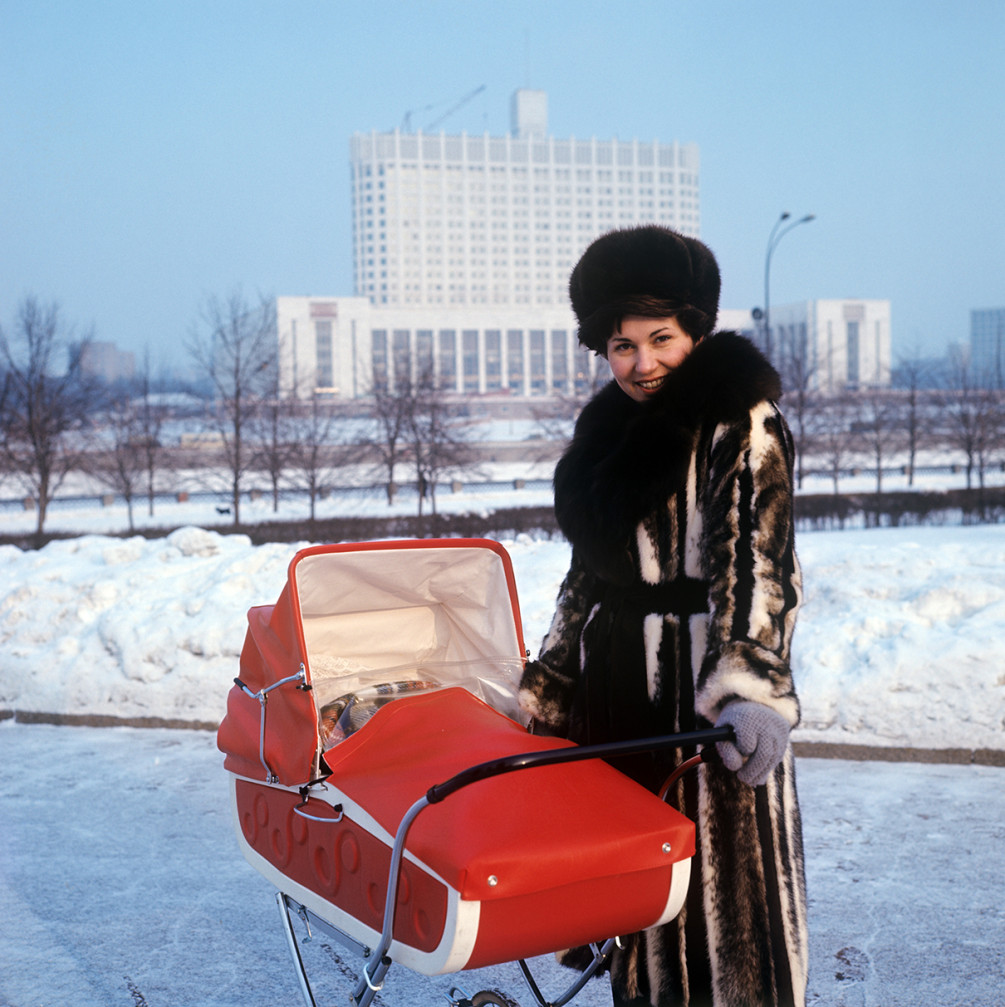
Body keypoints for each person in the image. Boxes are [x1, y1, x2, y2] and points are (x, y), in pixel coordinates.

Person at [518, 225, 808, 1007]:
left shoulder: (738, 419)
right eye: (620, 344)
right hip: (613, 696)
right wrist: (546, 682)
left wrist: (749, 683)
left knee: (721, 919)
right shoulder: (606, 431)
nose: (641, 363)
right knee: (634, 912)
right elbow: (588, 575)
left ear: (696, 330)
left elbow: (756, 560)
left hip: (699, 705)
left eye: (660, 338)